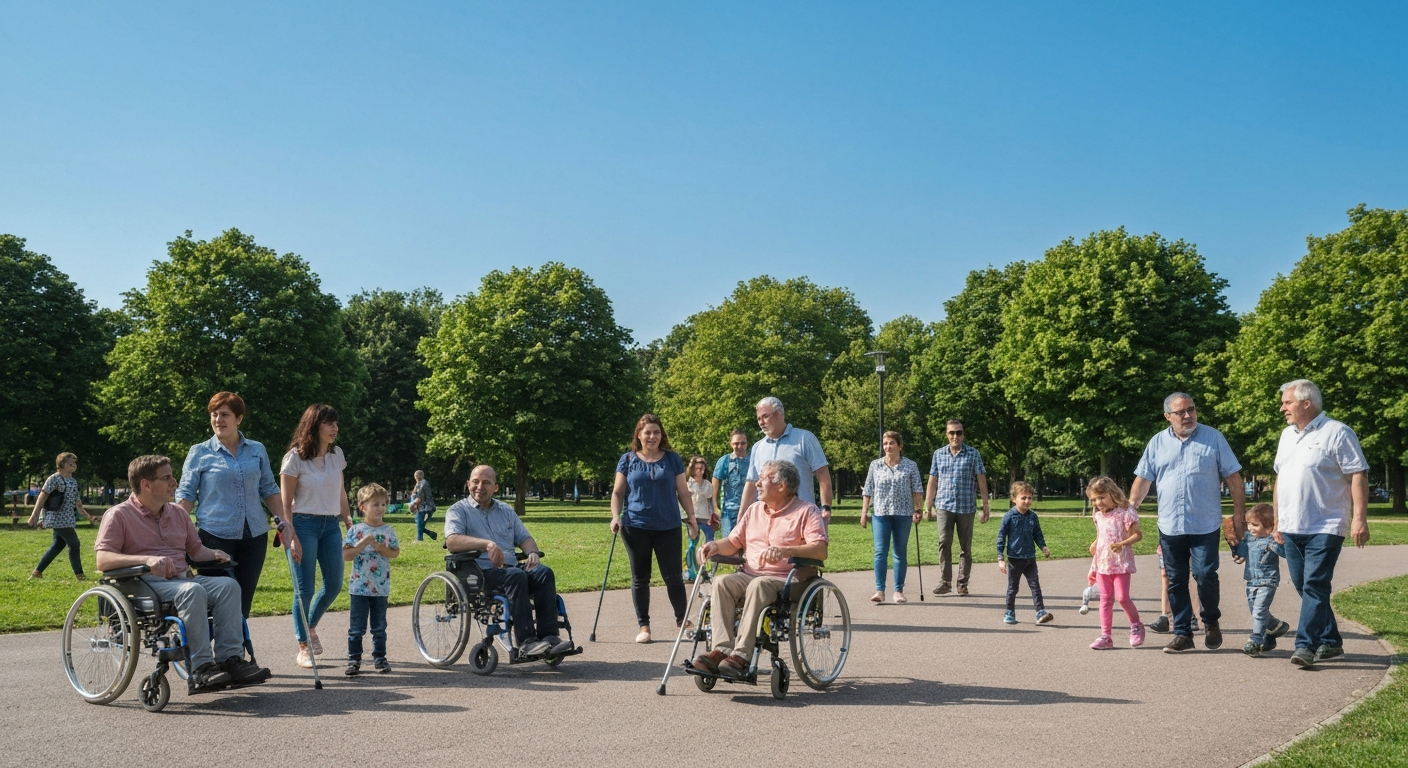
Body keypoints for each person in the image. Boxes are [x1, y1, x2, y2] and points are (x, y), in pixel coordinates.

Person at [94, 454, 270, 689]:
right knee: (192, 591)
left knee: (228, 586)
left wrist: (214, 553)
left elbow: (196, 551)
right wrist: (147, 560)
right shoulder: (119, 515)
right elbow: (103, 559)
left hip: (182, 580)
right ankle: (201, 668)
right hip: (144, 584)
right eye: (166, 478)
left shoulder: (178, 514)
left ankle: (231, 660)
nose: (174, 482)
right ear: (146, 485)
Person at [1129, 392, 1245, 654]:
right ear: (1167, 416)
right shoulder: (1157, 443)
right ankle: (1182, 633)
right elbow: (1143, 480)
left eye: (1191, 409)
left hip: (1205, 523)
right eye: (1180, 412)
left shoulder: (1214, 438)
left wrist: (1239, 516)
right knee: (1176, 580)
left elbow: (1235, 480)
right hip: (1170, 525)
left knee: (1205, 575)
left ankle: (1211, 621)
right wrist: (1129, 512)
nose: (1187, 415)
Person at [691, 460, 828, 679]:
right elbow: (734, 542)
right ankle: (721, 650)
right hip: (751, 574)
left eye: (763, 478)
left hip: (789, 580)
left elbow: (820, 550)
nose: (757, 483)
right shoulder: (754, 510)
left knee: (759, 584)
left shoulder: (806, 511)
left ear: (781, 486)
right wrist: (714, 546)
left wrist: (784, 551)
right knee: (722, 582)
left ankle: (741, 656)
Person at [1272, 379, 1369, 669]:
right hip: (1291, 525)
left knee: (1315, 584)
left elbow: (1358, 474)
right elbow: (1280, 479)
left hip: (1326, 524)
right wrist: (1277, 520)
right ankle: (1331, 640)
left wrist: (1359, 518)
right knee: (1304, 585)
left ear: (1306, 403)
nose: (1282, 408)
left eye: (1287, 402)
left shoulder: (1337, 432)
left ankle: (1305, 645)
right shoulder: (1287, 435)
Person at [176, 392, 283, 618]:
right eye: (214, 415)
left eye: (225, 415)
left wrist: (284, 522)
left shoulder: (257, 450)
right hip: (214, 537)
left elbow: (269, 488)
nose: (218, 420)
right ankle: (211, 640)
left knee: (243, 603)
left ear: (239, 418)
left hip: (254, 536)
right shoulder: (199, 452)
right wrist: (177, 529)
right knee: (218, 602)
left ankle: (237, 642)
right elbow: (185, 494)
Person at [445, 465, 572, 657]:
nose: (480, 487)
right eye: (475, 482)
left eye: (486, 482)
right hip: (481, 573)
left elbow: (525, 538)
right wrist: (487, 544)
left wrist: (533, 553)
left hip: (512, 570)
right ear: (468, 484)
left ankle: (549, 638)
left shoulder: (506, 510)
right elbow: (452, 541)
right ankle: (527, 642)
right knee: (516, 576)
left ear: (495, 487)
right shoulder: (458, 510)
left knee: (543, 573)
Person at [611, 414, 698, 643]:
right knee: (640, 578)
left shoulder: (672, 459)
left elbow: (683, 492)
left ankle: (683, 621)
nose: (652, 437)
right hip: (635, 526)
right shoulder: (627, 459)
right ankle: (644, 626)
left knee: (673, 576)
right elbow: (618, 493)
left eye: (656, 432)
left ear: (662, 435)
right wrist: (615, 517)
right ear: (639, 435)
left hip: (668, 526)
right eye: (647, 432)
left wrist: (691, 518)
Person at [278, 403, 353, 669]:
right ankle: (303, 647)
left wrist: (348, 521)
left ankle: (309, 626)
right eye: (329, 423)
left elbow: (340, 492)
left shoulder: (336, 455)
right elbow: (285, 504)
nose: (335, 428)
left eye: (336, 423)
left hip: (330, 525)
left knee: (334, 584)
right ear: (314, 426)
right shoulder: (294, 458)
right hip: (303, 524)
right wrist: (292, 537)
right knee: (305, 588)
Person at [924, 419, 990, 595]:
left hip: (966, 506)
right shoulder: (938, 454)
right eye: (952, 433)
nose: (955, 436)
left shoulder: (973, 454)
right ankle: (945, 582)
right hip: (944, 505)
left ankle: (962, 583)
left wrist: (985, 504)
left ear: (963, 434)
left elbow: (981, 479)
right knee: (944, 542)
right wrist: (927, 506)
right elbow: (933, 480)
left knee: (965, 547)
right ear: (946, 434)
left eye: (959, 433)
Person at [739, 397, 832, 522]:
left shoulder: (804, 439)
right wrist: (741, 517)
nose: (761, 422)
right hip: (766, 520)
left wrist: (826, 507)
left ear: (779, 415)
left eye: (765, 416)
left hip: (800, 517)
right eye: (759, 418)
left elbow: (822, 474)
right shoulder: (758, 447)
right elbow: (751, 483)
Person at [859, 431, 923, 604]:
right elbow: (868, 490)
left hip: (903, 514)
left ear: (900, 446)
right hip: (880, 514)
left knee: (899, 553)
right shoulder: (875, 465)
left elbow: (917, 489)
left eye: (891, 443)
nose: (888, 446)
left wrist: (918, 509)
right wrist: (864, 513)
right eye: (885, 443)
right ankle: (879, 590)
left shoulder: (910, 465)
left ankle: (898, 591)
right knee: (880, 552)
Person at [343, 483, 400, 675]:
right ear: (363, 507)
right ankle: (354, 660)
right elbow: (346, 555)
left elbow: (395, 553)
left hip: (380, 588)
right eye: (375, 504)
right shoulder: (355, 530)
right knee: (356, 628)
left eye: (383, 504)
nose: (380, 508)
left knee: (379, 627)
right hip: (359, 588)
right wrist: (363, 543)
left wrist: (378, 547)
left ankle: (380, 658)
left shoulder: (388, 531)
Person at [1087, 476, 1144, 650]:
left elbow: (1137, 535)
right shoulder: (1098, 516)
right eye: (1094, 499)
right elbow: (1102, 535)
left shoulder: (1125, 512)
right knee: (1105, 599)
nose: (1098, 502)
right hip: (1103, 563)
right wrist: (1095, 544)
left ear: (1112, 494)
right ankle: (1106, 636)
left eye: (1102, 497)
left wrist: (1121, 544)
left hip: (1121, 562)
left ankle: (1136, 625)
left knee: (1122, 597)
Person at [1230, 503, 1290, 657]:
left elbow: (1284, 553)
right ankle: (1276, 626)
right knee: (1255, 611)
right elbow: (1241, 552)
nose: (1250, 528)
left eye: (1255, 525)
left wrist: (1278, 540)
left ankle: (1256, 640)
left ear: (1269, 527)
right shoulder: (1249, 538)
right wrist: (1235, 546)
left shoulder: (1271, 540)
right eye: (1248, 524)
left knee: (1259, 611)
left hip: (1267, 581)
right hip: (1251, 580)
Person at [27, 452, 96, 580]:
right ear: (62, 464)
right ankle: (80, 575)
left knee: (58, 544)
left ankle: (37, 573)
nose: (74, 465)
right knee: (74, 544)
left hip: (68, 518)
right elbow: (43, 497)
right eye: (70, 463)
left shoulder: (73, 481)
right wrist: (34, 516)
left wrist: (88, 517)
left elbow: (78, 503)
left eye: (75, 463)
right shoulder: (54, 479)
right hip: (57, 519)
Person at [996, 481, 1052, 625]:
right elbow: (1001, 537)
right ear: (1014, 499)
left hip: (1030, 559)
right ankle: (1009, 612)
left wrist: (1043, 547)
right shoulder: (1009, 516)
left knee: (1035, 586)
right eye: (1023, 498)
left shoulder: (1033, 517)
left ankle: (1040, 612)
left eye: (1029, 498)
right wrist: (1000, 558)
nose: (1027, 501)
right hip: (1015, 559)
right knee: (1013, 588)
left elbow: (1037, 534)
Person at [684, 455, 717, 582]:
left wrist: (713, 515)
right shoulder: (688, 484)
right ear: (692, 469)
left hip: (705, 518)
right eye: (698, 469)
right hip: (693, 518)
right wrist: (688, 518)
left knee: (709, 543)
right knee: (692, 545)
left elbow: (710, 500)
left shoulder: (707, 484)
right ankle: (692, 571)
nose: (701, 471)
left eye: (703, 469)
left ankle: (707, 570)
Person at [712, 429, 750, 536]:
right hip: (729, 510)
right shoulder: (725, 461)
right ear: (731, 444)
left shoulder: (753, 460)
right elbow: (715, 482)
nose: (739, 446)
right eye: (736, 443)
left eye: (743, 443)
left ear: (747, 444)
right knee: (729, 541)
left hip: (750, 509)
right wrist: (715, 506)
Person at [409, 469, 437, 542]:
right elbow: (414, 492)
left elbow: (419, 497)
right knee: (420, 525)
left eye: (415, 477)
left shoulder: (423, 484)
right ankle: (431, 534)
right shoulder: (419, 483)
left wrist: (413, 503)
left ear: (418, 476)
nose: (415, 478)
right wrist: (413, 494)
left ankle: (419, 539)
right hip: (424, 508)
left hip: (427, 508)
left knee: (420, 524)